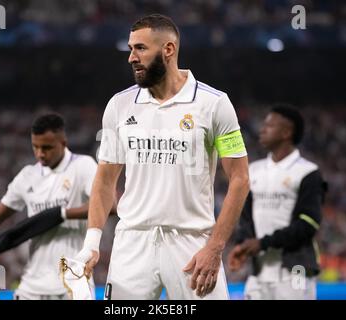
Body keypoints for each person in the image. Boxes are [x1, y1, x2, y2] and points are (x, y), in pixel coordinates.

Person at [75, 14, 250, 300]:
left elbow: (240, 179)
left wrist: (215, 248)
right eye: (131, 48)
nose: (132, 57)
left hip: (193, 244)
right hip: (132, 243)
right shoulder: (119, 105)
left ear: (168, 49)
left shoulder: (214, 104)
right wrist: (91, 243)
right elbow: (105, 181)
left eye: (140, 48)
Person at [0, 113, 98, 300]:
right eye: (35, 147)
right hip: (32, 286)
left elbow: (108, 206)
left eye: (47, 147)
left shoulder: (83, 166)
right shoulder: (28, 176)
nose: (40, 154)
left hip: (73, 283)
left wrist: (61, 214)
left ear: (63, 142)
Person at [227, 105, 326, 300]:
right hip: (259, 272)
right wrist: (242, 245)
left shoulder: (308, 172)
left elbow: (308, 223)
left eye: (269, 125)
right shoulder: (253, 170)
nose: (262, 129)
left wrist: (263, 243)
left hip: (296, 270)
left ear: (286, 132)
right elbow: (246, 218)